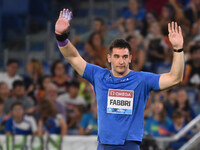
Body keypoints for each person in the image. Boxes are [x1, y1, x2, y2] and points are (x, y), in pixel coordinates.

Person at [55, 9, 184, 150]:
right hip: (105, 146)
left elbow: (174, 78)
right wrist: (61, 37)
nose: (121, 61)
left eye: (124, 57)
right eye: (116, 57)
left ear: (130, 58)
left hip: (130, 146)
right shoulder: (99, 75)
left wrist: (178, 49)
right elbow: (73, 57)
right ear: (109, 58)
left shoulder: (142, 79)